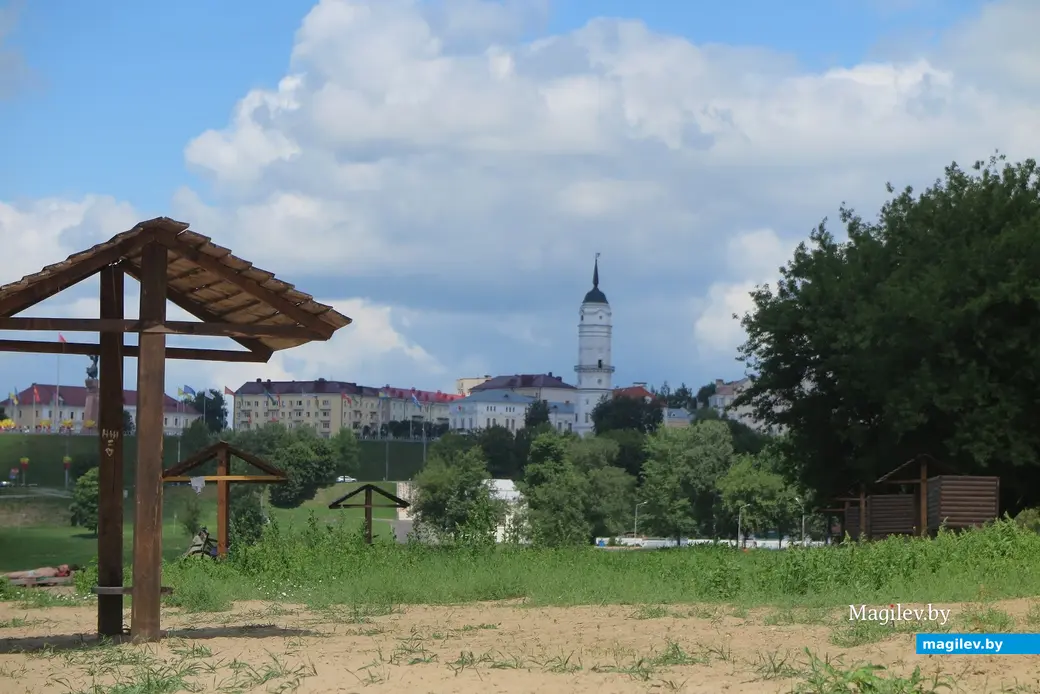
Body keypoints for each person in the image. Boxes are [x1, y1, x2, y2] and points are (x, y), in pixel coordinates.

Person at [5, 564, 80, 580]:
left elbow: (40, 575)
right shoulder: (55, 570)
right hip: (33, 572)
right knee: (9, 575)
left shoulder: (53, 573)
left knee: (9, 576)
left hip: (32, 574)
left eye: (64, 567)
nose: (62, 566)